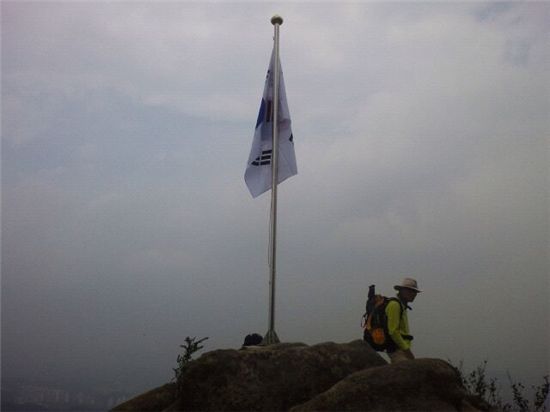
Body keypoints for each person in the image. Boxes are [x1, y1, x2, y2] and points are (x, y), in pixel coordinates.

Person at [386, 278, 422, 364]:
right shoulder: (395, 305)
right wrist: (406, 350)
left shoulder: (402, 305)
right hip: (397, 349)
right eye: (410, 291)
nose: (414, 294)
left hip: (401, 349)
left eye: (415, 292)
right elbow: (393, 331)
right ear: (402, 291)